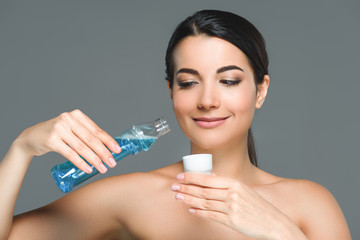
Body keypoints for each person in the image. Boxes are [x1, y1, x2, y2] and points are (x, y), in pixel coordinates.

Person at [0, 10, 351, 240]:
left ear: (261, 90)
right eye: (188, 82)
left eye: (228, 81)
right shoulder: (136, 196)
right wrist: (21, 149)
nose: (207, 100)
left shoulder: (310, 204)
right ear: (171, 91)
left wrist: (282, 233)